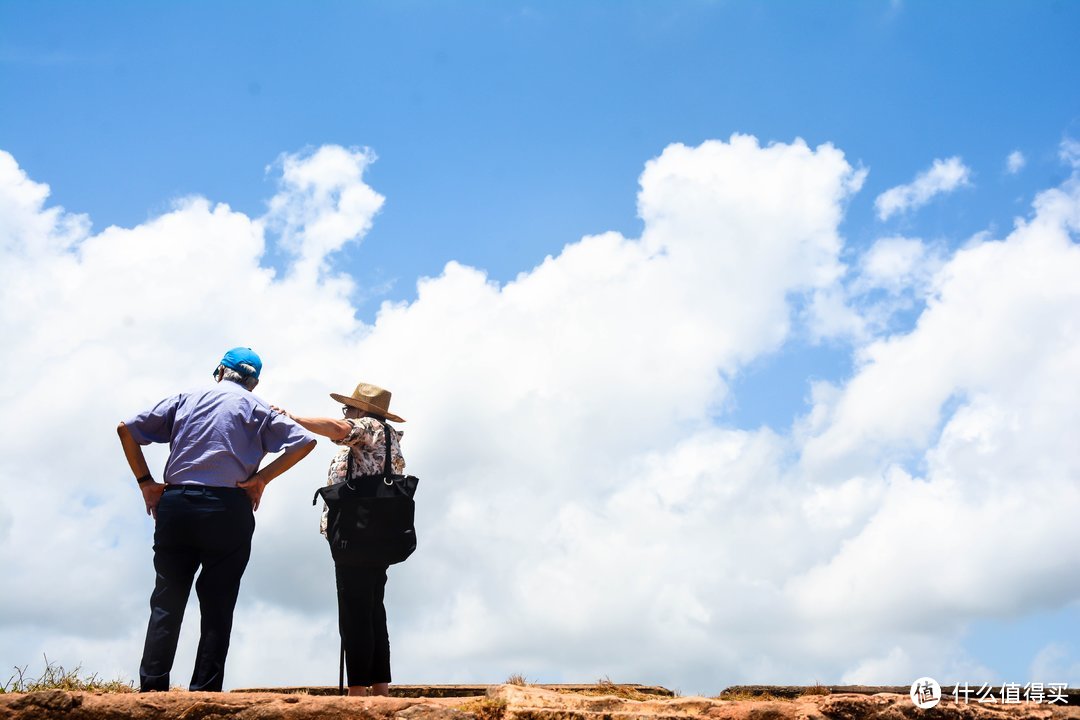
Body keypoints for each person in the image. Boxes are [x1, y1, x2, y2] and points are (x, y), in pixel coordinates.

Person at [117, 347, 317, 693]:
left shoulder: (185, 399)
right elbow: (305, 441)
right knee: (219, 603)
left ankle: (151, 690)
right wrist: (262, 479)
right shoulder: (257, 408)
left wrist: (146, 483)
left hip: (177, 503)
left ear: (219, 371)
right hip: (228, 507)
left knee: (167, 598)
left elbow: (126, 429)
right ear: (253, 382)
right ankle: (205, 692)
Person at [273, 381, 406, 697]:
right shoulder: (388, 438)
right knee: (372, 608)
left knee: (354, 609)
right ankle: (380, 689)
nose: (345, 413)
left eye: (348, 408)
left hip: (355, 535)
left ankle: (358, 691)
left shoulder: (369, 427)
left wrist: (293, 418)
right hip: (380, 534)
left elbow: (336, 428)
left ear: (361, 410)